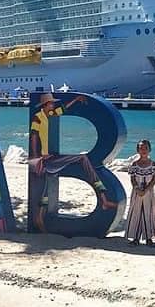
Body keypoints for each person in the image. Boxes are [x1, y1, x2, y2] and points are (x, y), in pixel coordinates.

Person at [28, 92, 116, 231]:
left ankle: (104, 200)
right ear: (45, 105)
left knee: (45, 188)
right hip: (44, 160)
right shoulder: (37, 118)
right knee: (81, 159)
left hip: (50, 158)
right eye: (51, 103)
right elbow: (33, 136)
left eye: (53, 104)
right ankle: (39, 218)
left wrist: (75, 100)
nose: (53, 105)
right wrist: (35, 156)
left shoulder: (50, 115)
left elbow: (62, 109)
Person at [126, 139, 155, 245]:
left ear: (149, 150)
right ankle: (135, 238)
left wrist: (147, 189)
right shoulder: (134, 164)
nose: (143, 150)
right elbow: (132, 179)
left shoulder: (153, 164)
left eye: (145, 148)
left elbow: (154, 179)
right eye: (141, 148)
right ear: (137, 150)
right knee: (136, 213)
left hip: (149, 193)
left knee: (148, 213)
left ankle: (149, 238)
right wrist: (137, 189)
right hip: (137, 193)